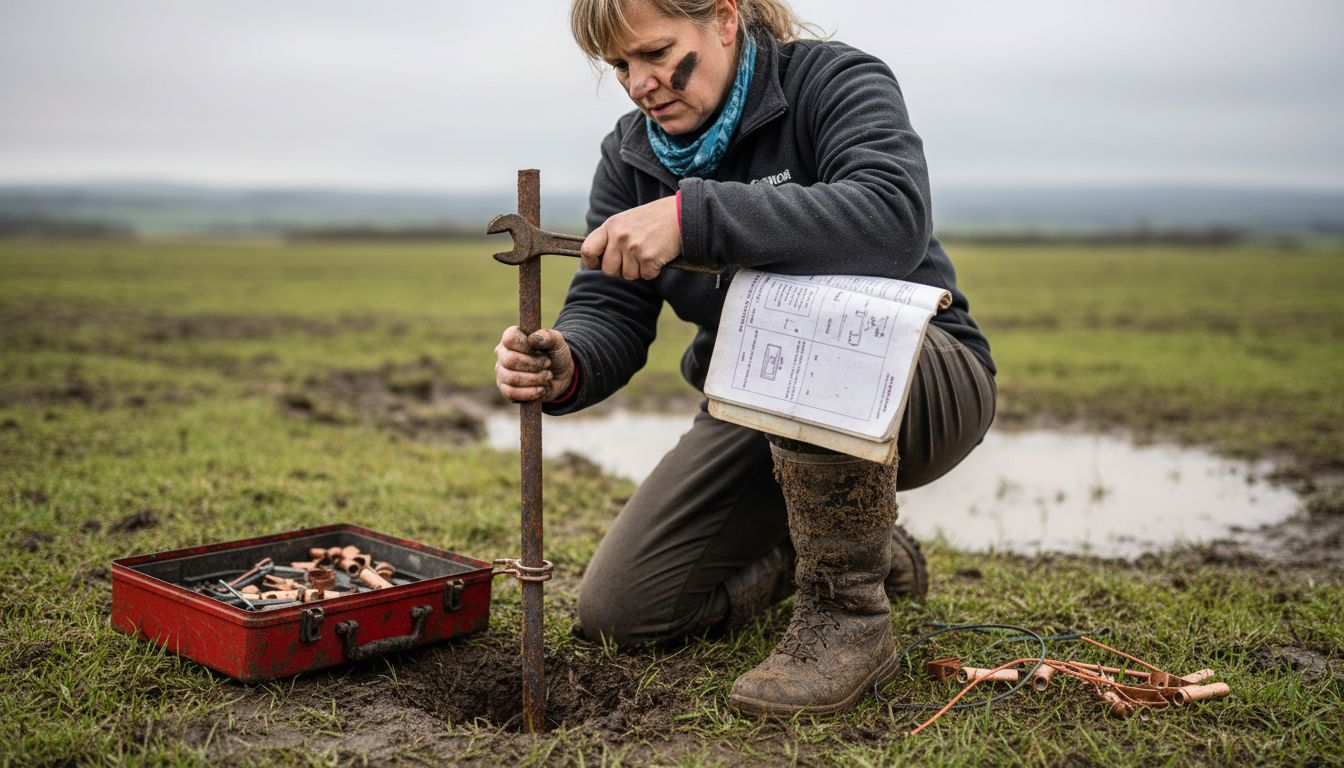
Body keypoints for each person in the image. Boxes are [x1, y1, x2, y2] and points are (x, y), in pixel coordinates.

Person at [494, 0, 995, 716]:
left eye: (657, 54)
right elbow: (611, 310)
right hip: (762, 404)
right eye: (621, 66)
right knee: (622, 612)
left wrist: (689, 217)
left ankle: (847, 618)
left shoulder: (833, 82)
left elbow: (892, 216)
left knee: (798, 311)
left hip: (923, 382)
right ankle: (852, 548)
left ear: (725, 19)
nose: (641, 84)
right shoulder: (632, 155)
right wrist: (564, 362)